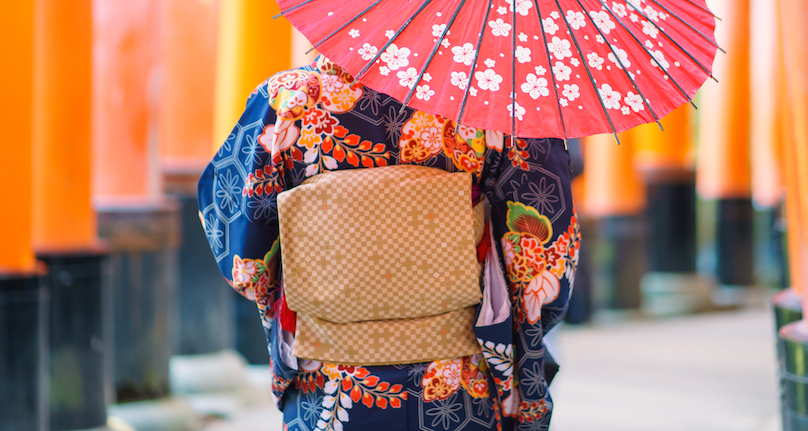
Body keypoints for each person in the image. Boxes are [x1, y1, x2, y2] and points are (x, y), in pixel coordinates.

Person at [199, 55, 579, 431]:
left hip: (331, 384)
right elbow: (543, 262)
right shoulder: (490, 101)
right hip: (456, 384)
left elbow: (245, 257)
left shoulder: (289, 98)